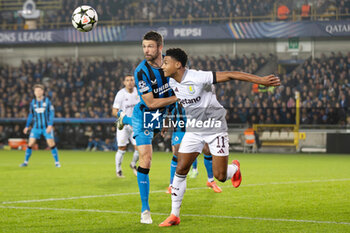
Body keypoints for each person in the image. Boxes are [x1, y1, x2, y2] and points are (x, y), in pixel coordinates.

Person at [159, 48, 280, 226]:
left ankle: (234, 169)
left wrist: (260, 80)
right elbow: (174, 101)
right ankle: (174, 215)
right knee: (181, 169)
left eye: (166, 62)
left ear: (178, 65)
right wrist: (167, 120)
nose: (163, 66)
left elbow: (231, 75)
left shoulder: (198, 77)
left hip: (215, 127)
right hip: (194, 129)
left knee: (221, 176)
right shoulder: (171, 83)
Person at [117, 31, 178, 224]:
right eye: (144, 46)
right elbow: (151, 103)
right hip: (144, 115)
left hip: (163, 114)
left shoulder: (174, 64)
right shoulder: (141, 71)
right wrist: (177, 98)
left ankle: (124, 119)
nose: (146, 50)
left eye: (150, 46)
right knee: (146, 158)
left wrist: (169, 116)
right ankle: (145, 210)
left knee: (180, 150)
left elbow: (182, 88)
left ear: (160, 47)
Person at [166, 103, 222, 194]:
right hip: (180, 126)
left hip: (195, 124)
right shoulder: (173, 93)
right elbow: (166, 109)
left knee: (207, 150)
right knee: (177, 152)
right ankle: (171, 185)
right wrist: (165, 123)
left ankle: (211, 181)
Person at [20, 84, 61, 168]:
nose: (38, 92)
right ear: (34, 92)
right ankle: (25, 162)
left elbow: (51, 113)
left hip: (46, 127)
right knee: (30, 143)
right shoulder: (33, 102)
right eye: (36, 91)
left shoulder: (47, 101)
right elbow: (31, 115)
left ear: (42, 92)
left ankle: (57, 162)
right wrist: (27, 126)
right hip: (36, 127)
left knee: (51, 144)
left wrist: (50, 125)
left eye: (39, 90)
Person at [112, 75, 140, 178]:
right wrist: (122, 116)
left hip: (136, 125)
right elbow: (114, 111)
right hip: (123, 125)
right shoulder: (120, 94)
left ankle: (133, 164)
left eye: (131, 80)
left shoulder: (139, 92)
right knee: (122, 149)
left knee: (139, 148)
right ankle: (118, 170)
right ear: (124, 82)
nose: (130, 82)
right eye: (127, 80)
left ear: (134, 81)